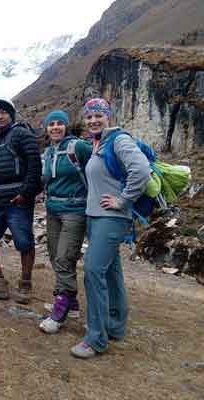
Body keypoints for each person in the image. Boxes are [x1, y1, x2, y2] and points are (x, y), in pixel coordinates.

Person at [70, 98, 150, 358]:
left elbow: (141, 170)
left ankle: (96, 339)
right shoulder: (98, 143)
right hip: (97, 217)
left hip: (111, 218)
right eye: (89, 116)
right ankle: (115, 325)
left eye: (98, 116)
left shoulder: (118, 140)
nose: (93, 120)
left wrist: (123, 200)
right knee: (112, 273)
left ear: (108, 117)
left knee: (93, 272)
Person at [0, 99, 41, 304]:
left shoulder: (21, 134)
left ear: (11, 115)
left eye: (3, 113)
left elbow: (35, 165)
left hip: (17, 200)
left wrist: (26, 194)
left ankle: (26, 283)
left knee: (23, 242)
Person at [38, 110, 92, 334]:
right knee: (54, 255)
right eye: (52, 124)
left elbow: (98, 169)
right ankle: (72, 303)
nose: (56, 127)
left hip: (75, 209)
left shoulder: (78, 147)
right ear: (47, 128)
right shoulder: (49, 151)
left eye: (60, 123)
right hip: (53, 210)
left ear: (66, 126)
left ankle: (60, 310)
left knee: (64, 257)